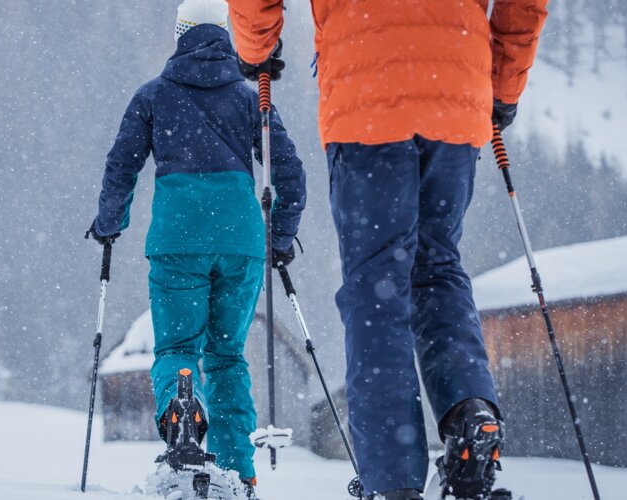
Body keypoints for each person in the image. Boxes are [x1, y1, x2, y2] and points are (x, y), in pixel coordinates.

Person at [225, 1, 548, 499]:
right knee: (438, 268)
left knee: (377, 288)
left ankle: (391, 479)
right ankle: (468, 411)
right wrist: (503, 85)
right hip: (456, 92)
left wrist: (257, 45)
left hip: (366, 95)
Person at [86, 0, 306, 494]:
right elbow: (289, 171)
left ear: (180, 33)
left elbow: (121, 166)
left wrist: (109, 224)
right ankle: (238, 471)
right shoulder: (250, 100)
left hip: (177, 238)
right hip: (240, 241)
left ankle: (182, 411)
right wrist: (280, 237)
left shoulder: (153, 96)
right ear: (225, 34)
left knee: (178, 347)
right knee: (227, 356)